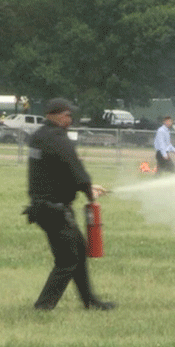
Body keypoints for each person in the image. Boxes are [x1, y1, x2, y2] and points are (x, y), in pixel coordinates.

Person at [24, 98, 114, 311]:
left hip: (43, 206)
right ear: (53, 115)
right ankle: (43, 307)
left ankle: (90, 301)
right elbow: (75, 169)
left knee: (78, 251)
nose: (70, 119)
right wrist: (88, 191)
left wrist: (86, 187)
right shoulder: (57, 138)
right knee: (67, 260)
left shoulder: (39, 137)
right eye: (67, 115)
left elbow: (56, 171)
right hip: (54, 209)